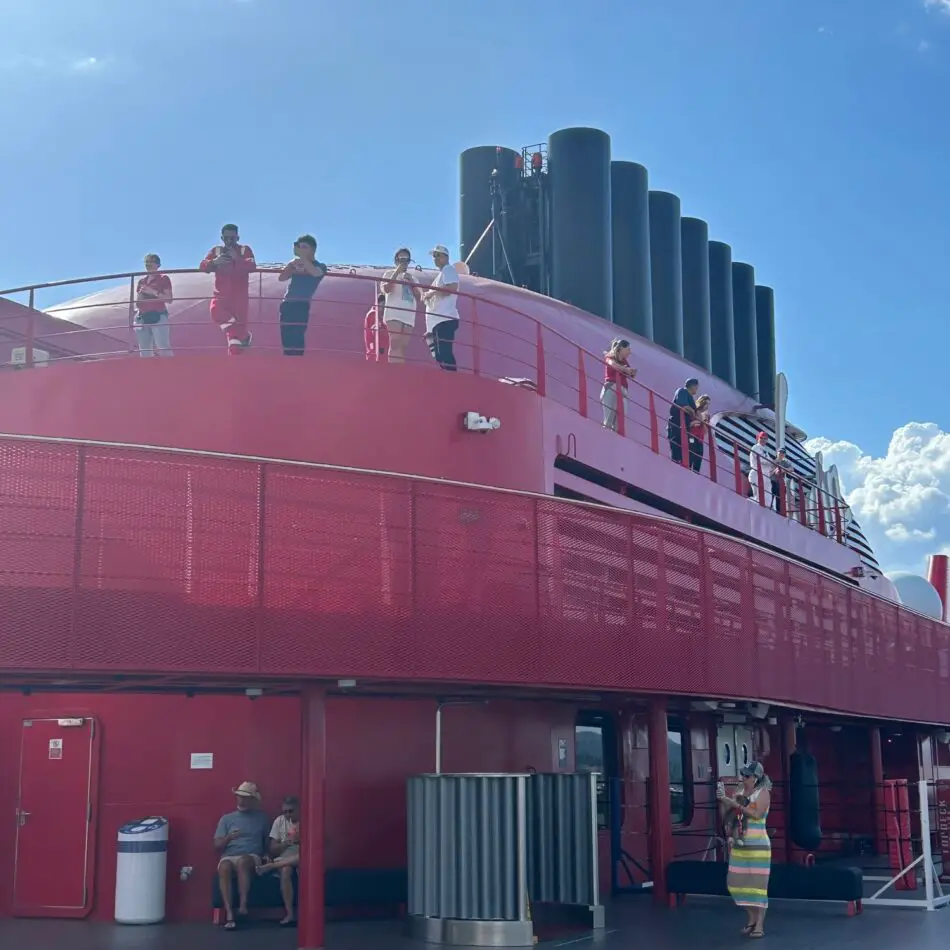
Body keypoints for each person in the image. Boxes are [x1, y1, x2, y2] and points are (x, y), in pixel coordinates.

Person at [718, 762, 772, 939]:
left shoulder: (763, 793)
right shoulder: (740, 790)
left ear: (756, 778)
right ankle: (752, 918)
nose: (744, 778)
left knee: (758, 887)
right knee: (735, 883)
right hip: (740, 844)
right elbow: (731, 816)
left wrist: (732, 802)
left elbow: (755, 814)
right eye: (743, 775)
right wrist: (723, 801)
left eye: (747, 776)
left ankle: (759, 925)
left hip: (758, 846)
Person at [214, 781, 270, 930]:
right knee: (224, 867)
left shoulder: (262, 818)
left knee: (243, 862)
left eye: (245, 797)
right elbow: (217, 845)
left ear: (252, 800)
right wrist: (228, 838)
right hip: (229, 854)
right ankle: (229, 913)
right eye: (240, 796)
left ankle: (243, 904)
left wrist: (267, 855)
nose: (242, 800)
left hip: (251, 855)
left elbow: (268, 841)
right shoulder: (227, 819)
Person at [199, 224, 256, 355]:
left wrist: (236, 258)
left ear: (238, 237)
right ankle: (244, 335)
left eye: (232, 238)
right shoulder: (216, 251)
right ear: (222, 238)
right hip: (221, 294)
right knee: (215, 311)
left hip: (239, 297)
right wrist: (214, 262)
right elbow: (202, 266)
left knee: (234, 341)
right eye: (226, 238)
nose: (229, 241)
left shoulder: (244, 250)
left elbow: (252, 266)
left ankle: (236, 361)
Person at [277, 235, 327, 356]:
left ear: (313, 249)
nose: (301, 250)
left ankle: (297, 361)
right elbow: (281, 278)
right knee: (286, 336)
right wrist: (291, 264)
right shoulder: (295, 263)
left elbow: (316, 273)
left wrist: (303, 258)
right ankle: (288, 361)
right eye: (300, 247)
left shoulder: (320, 265)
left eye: (304, 247)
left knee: (298, 335)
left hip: (301, 304)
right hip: (287, 303)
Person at [257, 795, 300, 927]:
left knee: (304, 858)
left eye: (291, 811)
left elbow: (322, 843)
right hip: (284, 857)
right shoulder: (279, 821)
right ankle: (290, 914)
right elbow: (273, 849)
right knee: (286, 870)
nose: (287, 814)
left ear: (298, 810)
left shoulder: (308, 820)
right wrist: (287, 843)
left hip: (303, 856)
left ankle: (270, 866)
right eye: (285, 811)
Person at [422, 244, 460, 371]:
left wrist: (431, 293)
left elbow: (452, 288)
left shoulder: (448, 269)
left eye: (438, 255)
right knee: (440, 355)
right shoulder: (442, 273)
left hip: (445, 318)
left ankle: (452, 379)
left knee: (445, 353)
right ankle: (449, 378)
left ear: (446, 257)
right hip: (438, 320)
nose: (435, 258)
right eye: (434, 256)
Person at [379, 248, 420, 364]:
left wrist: (411, 282)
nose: (404, 262)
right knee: (395, 341)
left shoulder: (414, 278)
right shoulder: (389, 274)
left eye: (407, 260)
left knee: (403, 346)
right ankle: (393, 372)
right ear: (396, 260)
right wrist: (397, 272)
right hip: (394, 313)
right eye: (401, 259)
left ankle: (400, 372)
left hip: (409, 314)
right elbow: (386, 289)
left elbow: (419, 296)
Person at [134, 253, 173, 357]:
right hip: (142, 317)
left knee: (163, 346)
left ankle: (171, 370)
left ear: (158, 265)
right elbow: (138, 301)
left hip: (158, 316)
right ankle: (147, 372)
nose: (148, 264)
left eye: (151, 262)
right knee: (144, 349)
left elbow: (169, 299)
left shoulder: (163, 279)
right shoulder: (141, 281)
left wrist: (152, 292)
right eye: (146, 262)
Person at [600, 338, 637, 431]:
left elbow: (630, 374)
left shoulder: (624, 361)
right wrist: (626, 370)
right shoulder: (610, 357)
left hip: (623, 391)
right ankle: (605, 439)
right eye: (628, 349)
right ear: (621, 349)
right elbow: (612, 364)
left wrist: (632, 372)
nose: (630, 352)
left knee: (620, 422)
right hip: (611, 388)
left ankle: (615, 441)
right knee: (609, 419)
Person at [668, 378, 699, 465]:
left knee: (692, 446)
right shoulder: (682, 391)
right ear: (692, 386)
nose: (697, 389)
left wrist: (694, 413)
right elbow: (684, 406)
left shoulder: (691, 399)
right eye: (696, 387)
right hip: (676, 425)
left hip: (687, 428)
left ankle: (687, 465)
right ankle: (677, 464)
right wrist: (692, 412)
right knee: (677, 446)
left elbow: (697, 415)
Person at [749, 432, 773, 508]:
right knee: (758, 498)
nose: (763, 440)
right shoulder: (755, 447)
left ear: (767, 440)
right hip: (757, 474)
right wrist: (775, 462)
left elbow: (770, 463)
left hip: (765, 476)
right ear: (758, 438)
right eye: (761, 438)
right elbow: (763, 460)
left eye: (765, 438)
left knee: (767, 499)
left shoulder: (765, 450)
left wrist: (774, 464)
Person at [688, 394, 711, 473]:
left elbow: (705, 431)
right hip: (691, 436)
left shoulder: (707, 416)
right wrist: (697, 421)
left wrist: (703, 422)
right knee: (691, 452)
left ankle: (695, 473)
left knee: (699, 455)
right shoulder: (694, 411)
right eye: (705, 403)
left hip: (700, 439)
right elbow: (689, 424)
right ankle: (688, 469)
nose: (706, 406)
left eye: (708, 404)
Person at [364, 294, 390, 360]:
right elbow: (376, 332)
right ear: (378, 303)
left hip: (379, 353)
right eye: (383, 305)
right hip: (375, 354)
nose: (385, 308)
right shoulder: (373, 314)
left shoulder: (379, 315)